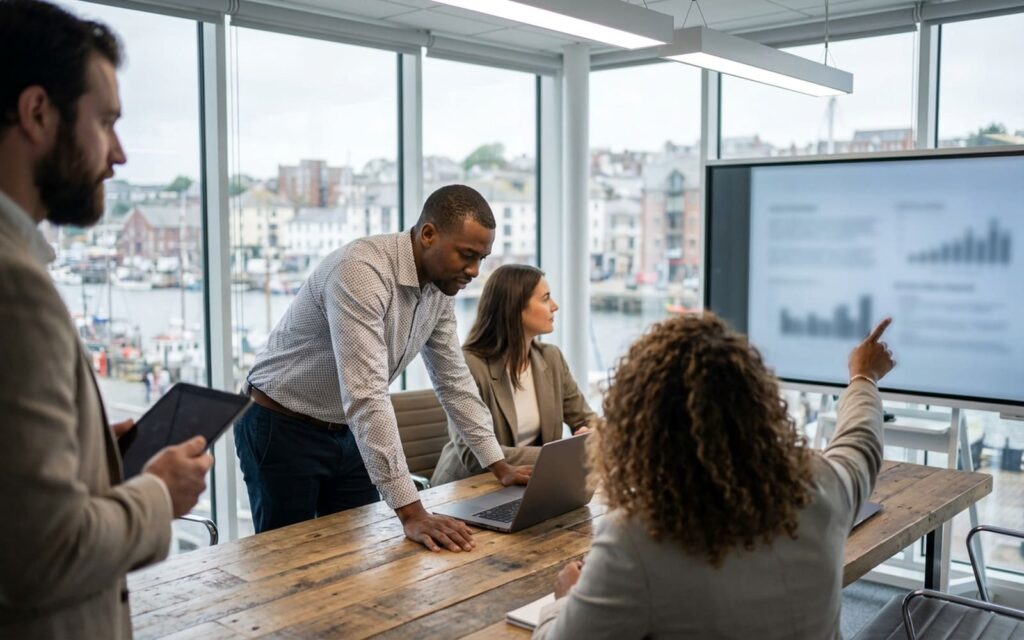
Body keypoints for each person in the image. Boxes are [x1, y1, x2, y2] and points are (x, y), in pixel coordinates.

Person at [0, 2, 214, 638]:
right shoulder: (15, 285)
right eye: (106, 122)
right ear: (39, 113)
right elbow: (42, 555)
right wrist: (157, 492)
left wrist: (95, 456)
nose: (118, 155)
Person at [534, 313, 896, 639]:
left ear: (643, 426)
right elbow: (861, 440)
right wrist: (863, 376)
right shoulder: (825, 484)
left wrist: (564, 600)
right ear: (758, 404)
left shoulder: (636, 537)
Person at [236, 184, 531, 552]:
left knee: (353, 556)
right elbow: (367, 396)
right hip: (281, 426)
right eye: (466, 255)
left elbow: (454, 381)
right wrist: (413, 513)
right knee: (285, 562)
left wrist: (498, 465)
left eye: (482, 259)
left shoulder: (439, 290)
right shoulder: (360, 272)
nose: (473, 271)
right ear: (428, 234)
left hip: (347, 431)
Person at [431, 264, 596, 485]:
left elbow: (584, 417)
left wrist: (591, 433)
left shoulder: (551, 358)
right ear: (515, 307)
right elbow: (473, 455)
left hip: (528, 482)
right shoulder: (469, 366)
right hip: (467, 489)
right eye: (546, 298)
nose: (555, 306)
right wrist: (557, 455)